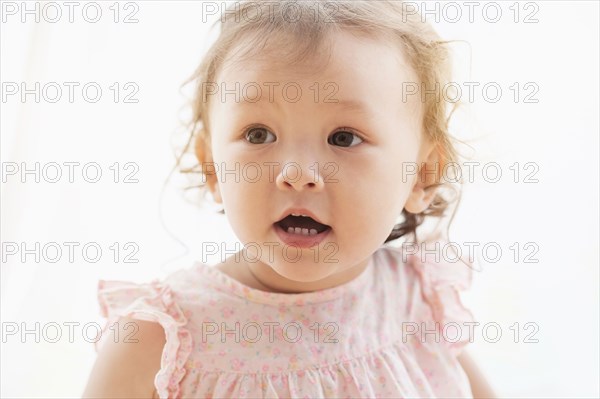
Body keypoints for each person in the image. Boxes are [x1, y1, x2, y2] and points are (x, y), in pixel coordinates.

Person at [83, 1, 496, 397]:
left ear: (422, 174)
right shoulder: (158, 342)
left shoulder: (416, 300)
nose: (296, 174)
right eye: (258, 135)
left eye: (344, 138)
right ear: (213, 167)